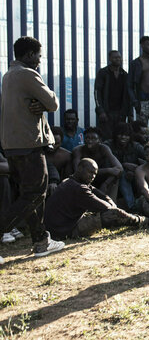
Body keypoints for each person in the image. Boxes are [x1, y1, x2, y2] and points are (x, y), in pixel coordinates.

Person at [0, 36, 65, 259]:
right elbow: (53, 103)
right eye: (38, 55)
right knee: (36, 193)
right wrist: (43, 104)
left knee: (30, 194)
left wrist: (38, 105)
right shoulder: (27, 74)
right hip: (28, 144)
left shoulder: (9, 75)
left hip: (13, 145)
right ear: (29, 55)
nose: (39, 60)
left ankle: (40, 241)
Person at [44, 158, 149, 239]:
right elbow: (107, 208)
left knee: (112, 210)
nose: (93, 176)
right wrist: (114, 208)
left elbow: (100, 194)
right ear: (79, 168)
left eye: (95, 174)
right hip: (66, 231)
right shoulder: (78, 188)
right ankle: (147, 222)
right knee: (112, 215)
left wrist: (110, 201)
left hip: (61, 227)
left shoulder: (71, 181)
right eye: (90, 172)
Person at [72, 127, 124, 200]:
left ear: (99, 140)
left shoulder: (104, 149)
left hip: (101, 179)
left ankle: (111, 204)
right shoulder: (78, 150)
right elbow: (77, 171)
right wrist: (107, 170)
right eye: (87, 138)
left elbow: (119, 169)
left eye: (93, 139)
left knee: (116, 176)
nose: (90, 141)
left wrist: (106, 183)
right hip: (84, 180)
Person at [105, 122, 146, 211]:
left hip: (134, 179)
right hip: (112, 178)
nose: (123, 137)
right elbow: (108, 165)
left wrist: (135, 170)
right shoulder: (108, 145)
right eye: (120, 134)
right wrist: (124, 166)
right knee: (122, 174)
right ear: (115, 135)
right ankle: (132, 207)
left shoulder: (136, 146)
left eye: (126, 135)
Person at [94, 50, 131, 140]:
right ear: (110, 59)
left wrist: (128, 113)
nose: (118, 59)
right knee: (106, 137)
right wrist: (101, 111)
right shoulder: (103, 73)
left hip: (120, 113)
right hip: (106, 112)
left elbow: (128, 95)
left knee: (119, 137)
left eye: (119, 57)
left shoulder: (124, 74)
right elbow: (97, 92)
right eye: (115, 57)